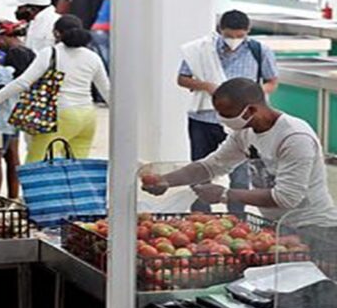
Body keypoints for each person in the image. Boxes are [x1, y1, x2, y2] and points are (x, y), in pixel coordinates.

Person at [142, 78, 337, 251]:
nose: (221, 119)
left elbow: (287, 197)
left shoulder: (294, 138)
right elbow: (211, 166)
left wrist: (225, 195)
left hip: (314, 229)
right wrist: (165, 181)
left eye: (226, 114)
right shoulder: (245, 131)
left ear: (251, 110)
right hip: (277, 227)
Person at [0, 15, 110, 163]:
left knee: (37, 165)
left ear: (56, 33)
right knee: (75, 168)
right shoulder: (92, 57)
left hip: (60, 115)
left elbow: (23, 82)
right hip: (87, 118)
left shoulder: (51, 53)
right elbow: (107, 91)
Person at [178, 9, 279, 214]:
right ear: (220, 30)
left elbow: (272, 81)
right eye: (229, 35)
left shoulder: (259, 51)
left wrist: (254, 95)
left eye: (240, 36)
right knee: (200, 167)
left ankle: (237, 215)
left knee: (240, 173)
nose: (234, 40)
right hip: (204, 119)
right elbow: (182, 78)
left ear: (248, 31)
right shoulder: (202, 51)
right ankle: (201, 212)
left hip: (242, 122)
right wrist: (207, 86)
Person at [0, 20, 35, 199]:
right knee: (12, 156)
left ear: (4, 36)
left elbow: (8, 87)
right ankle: (13, 198)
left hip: (4, 115)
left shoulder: (15, 54)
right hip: (16, 114)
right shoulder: (27, 51)